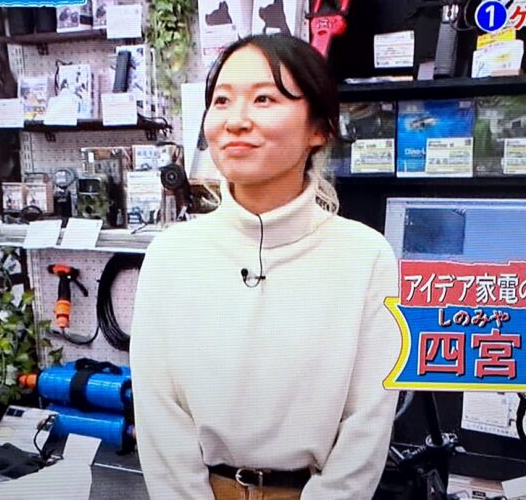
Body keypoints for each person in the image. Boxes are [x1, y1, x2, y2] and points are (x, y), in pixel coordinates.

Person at [130, 34, 400, 499]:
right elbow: (158, 415)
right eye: (222, 100)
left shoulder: (365, 256)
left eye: (264, 99)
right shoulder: (171, 254)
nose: (236, 120)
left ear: (319, 129)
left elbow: (367, 425)